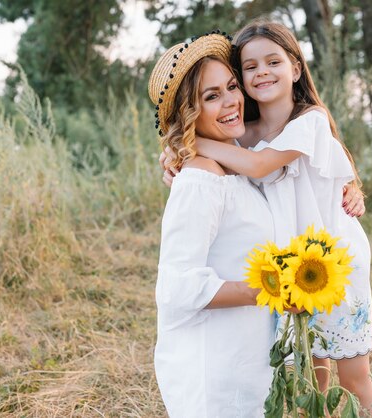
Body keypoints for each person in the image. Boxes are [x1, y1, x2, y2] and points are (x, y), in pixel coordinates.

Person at [175, 21, 372, 417]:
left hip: (335, 265)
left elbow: (258, 166)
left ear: (296, 68)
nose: (262, 72)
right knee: (308, 376)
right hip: (290, 273)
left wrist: (189, 139)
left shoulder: (311, 120)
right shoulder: (242, 134)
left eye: (273, 61)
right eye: (249, 67)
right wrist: (173, 156)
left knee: (354, 375)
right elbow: (216, 167)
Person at [150, 32, 285, 417]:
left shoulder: (238, 163)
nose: (231, 102)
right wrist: (271, 289)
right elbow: (178, 287)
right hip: (213, 370)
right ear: (189, 114)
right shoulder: (198, 179)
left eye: (231, 86)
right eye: (212, 96)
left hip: (246, 356)